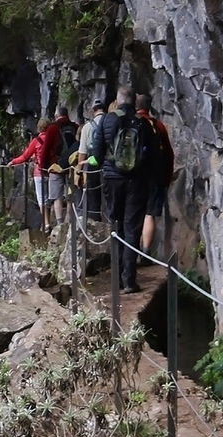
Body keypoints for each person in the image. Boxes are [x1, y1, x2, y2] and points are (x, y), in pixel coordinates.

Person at [88, 85, 161, 294]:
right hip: (136, 182)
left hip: (112, 180)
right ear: (133, 102)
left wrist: (95, 166)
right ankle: (129, 280)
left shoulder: (107, 121)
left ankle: (116, 278)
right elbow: (154, 156)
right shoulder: (143, 124)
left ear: (118, 100)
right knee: (132, 228)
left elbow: (96, 154)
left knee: (116, 226)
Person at [136, 94, 174, 263]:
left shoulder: (130, 122)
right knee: (149, 214)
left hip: (132, 176)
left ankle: (130, 252)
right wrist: (166, 178)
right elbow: (169, 154)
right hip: (154, 177)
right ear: (150, 106)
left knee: (133, 214)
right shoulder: (157, 125)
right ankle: (145, 253)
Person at [8, 116, 60, 231]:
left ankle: (46, 223)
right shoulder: (55, 139)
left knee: (42, 199)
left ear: (39, 128)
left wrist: (13, 161)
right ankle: (58, 223)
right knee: (55, 197)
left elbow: (25, 156)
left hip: (39, 172)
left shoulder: (36, 141)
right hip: (53, 171)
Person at [72, 98, 106, 222]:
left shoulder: (87, 127)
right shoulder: (110, 121)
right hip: (108, 164)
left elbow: (82, 152)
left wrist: (78, 171)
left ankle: (95, 223)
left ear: (93, 110)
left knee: (93, 197)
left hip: (92, 164)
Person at [51, 108, 81, 227]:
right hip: (73, 164)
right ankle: (69, 219)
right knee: (70, 192)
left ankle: (59, 224)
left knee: (57, 195)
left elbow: (48, 147)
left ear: (57, 115)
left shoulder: (54, 127)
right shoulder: (75, 126)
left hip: (58, 163)